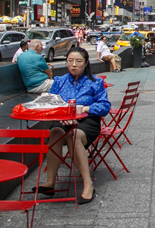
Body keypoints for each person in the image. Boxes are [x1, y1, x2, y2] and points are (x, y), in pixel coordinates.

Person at [37, 47, 111, 205]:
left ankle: (88, 184)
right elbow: (51, 103)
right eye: (70, 61)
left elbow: (105, 107)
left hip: (87, 121)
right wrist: (61, 114)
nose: (74, 65)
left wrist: (84, 109)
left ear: (86, 63)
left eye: (78, 61)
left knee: (74, 135)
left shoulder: (95, 82)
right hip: (63, 120)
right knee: (55, 132)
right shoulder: (59, 81)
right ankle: (50, 181)